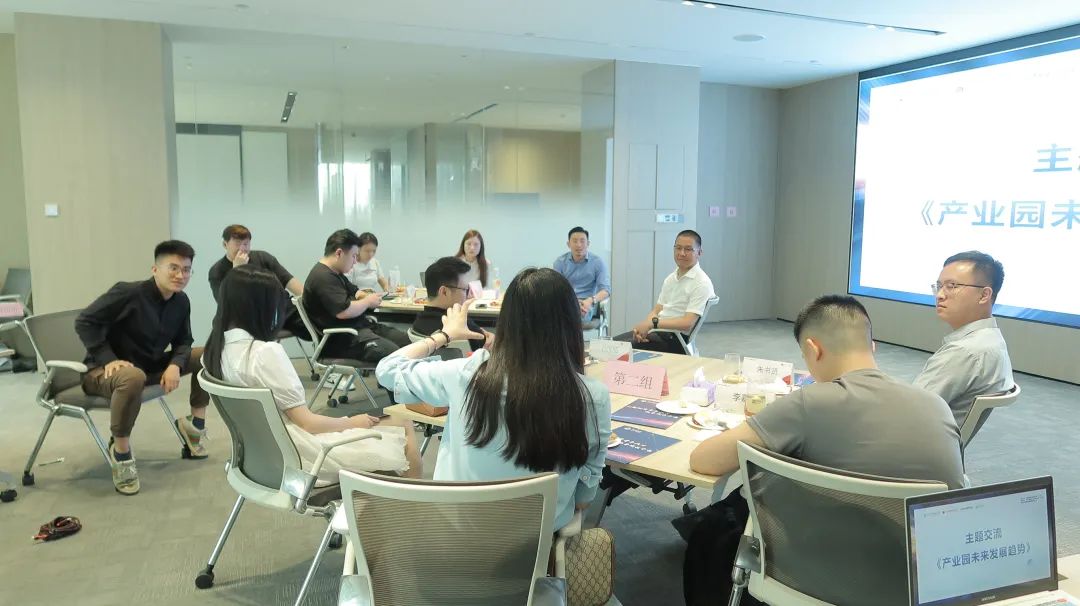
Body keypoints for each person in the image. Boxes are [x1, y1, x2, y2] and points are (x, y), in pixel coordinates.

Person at [682, 295, 964, 605]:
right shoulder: (937, 406)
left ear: (813, 349)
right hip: (927, 580)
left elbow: (704, 460)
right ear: (872, 347)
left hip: (818, 577)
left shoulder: (808, 403)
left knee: (718, 524)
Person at [376, 268, 611, 530]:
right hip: (535, 542)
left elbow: (387, 369)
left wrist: (445, 335)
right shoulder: (592, 396)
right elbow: (584, 496)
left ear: (506, 320)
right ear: (571, 324)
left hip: (455, 535)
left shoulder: (466, 374)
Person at [202, 265, 421, 484]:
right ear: (264, 308)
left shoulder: (214, 351)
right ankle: (407, 502)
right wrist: (353, 422)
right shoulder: (264, 353)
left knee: (387, 422)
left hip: (260, 457)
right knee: (402, 422)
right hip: (302, 456)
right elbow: (308, 424)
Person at [75, 240, 210, 496]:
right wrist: (108, 358)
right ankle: (121, 453)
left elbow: (184, 342)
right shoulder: (127, 293)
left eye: (186, 269)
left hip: (147, 366)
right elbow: (85, 321)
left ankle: (195, 427)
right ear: (155, 269)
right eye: (173, 268)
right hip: (102, 373)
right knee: (133, 376)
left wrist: (175, 365)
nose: (180, 275)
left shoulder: (181, 302)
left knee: (207, 355)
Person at [914, 251, 1015, 428]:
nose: (939, 295)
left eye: (952, 286)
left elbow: (908, 409)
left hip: (917, 441)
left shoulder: (965, 352)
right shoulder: (992, 339)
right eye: (939, 286)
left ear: (984, 295)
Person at [302, 229, 410, 363]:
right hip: (343, 340)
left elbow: (354, 291)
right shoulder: (323, 277)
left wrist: (365, 296)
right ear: (339, 253)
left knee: (408, 342)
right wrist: (368, 301)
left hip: (359, 328)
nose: (354, 261)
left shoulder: (336, 272)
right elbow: (344, 311)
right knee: (396, 354)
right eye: (353, 256)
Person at [614, 230, 715, 354]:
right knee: (610, 344)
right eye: (678, 248)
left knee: (617, 350)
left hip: (676, 339)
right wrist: (645, 327)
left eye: (688, 249)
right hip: (658, 332)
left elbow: (687, 323)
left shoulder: (701, 282)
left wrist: (652, 324)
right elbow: (657, 310)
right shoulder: (671, 278)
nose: (682, 253)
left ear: (699, 252)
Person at [207, 224, 308, 337]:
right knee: (224, 327)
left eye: (246, 244)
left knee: (313, 321)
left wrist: (309, 300)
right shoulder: (217, 271)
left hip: (278, 308)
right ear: (225, 244)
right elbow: (226, 305)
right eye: (237, 244)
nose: (242, 249)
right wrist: (237, 271)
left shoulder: (263, 257)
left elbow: (289, 281)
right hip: (246, 317)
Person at [413, 257, 494, 352]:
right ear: (444, 292)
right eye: (465, 289)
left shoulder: (417, 323)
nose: (469, 295)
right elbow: (491, 344)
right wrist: (492, 338)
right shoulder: (462, 325)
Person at [553, 226, 611, 322]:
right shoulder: (560, 262)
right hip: (567, 301)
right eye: (575, 241)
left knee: (577, 313)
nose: (579, 245)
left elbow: (606, 290)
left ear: (588, 243)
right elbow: (555, 289)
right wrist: (572, 302)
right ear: (568, 244)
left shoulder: (597, 262)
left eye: (582, 241)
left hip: (588, 302)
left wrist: (591, 300)